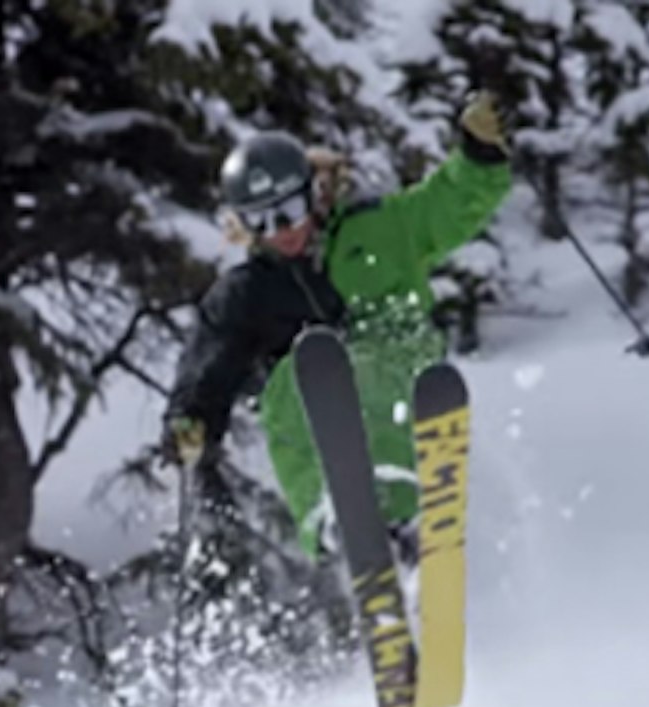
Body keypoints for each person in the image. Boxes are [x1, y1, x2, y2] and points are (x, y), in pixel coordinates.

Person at [160, 94, 514, 560]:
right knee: (286, 395)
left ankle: (400, 509)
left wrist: (480, 154)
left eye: (288, 212)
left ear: (315, 193)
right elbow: (208, 358)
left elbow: (448, 205)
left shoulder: (380, 228)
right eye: (261, 221)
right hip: (318, 385)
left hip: (398, 356)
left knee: (364, 371)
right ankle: (333, 520)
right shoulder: (247, 293)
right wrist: (191, 418)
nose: (282, 231)